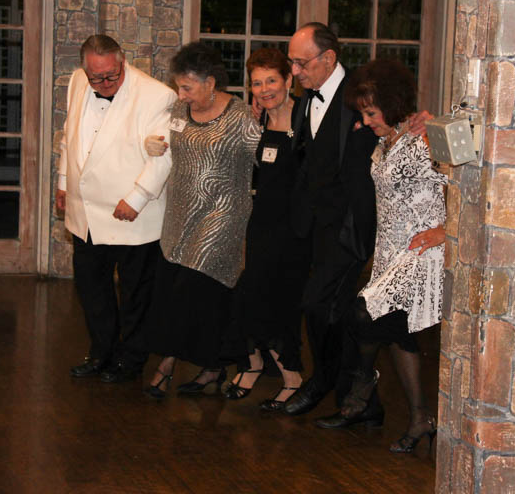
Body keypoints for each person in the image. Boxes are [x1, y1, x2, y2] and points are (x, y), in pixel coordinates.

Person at [315, 59, 446, 454]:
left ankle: (361, 391)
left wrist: (447, 231)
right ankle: (420, 419)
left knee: (362, 314)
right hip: (389, 253)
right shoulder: (386, 140)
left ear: (392, 103)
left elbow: (466, 182)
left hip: (421, 252)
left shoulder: (424, 138)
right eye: (363, 113)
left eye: (372, 112)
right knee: (396, 332)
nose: (366, 120)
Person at [143, 42, 262, 399]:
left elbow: (269, 159)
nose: (180, 94)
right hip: (180, 214)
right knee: (203, 298)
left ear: (210, 83)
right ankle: (213, 366)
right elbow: (165, 140)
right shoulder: (180, 110)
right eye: (179, 86)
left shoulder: (240, 116)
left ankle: (165, 367)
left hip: (222, 216)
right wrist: (152, 144)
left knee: (188, 292)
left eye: (187, 87)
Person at [57, 34, 176, 383]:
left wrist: (137, 198)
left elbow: (164, 155)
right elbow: (69, 137)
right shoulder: (77, 82)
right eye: (97, 77)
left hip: (133, 213)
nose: (106, 83)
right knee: (91, 289)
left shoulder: (156, 94)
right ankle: (101, 353)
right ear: (84, 70)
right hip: (86, 210)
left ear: (122, 61)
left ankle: (131, 359)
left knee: (135, 293)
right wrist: (64, 182)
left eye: (112, 74)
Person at [282, 23, 379, 418]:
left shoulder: (362, 94)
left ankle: (322, 381)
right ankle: (361, 403)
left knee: (317, 303)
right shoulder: (306, 99)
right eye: (291, 63)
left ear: (328, 58)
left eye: (301, 63)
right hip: (317, 225)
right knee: (336, 311)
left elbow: (394, 128)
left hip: (351, 227)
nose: (294, 72)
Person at [222, 47, 309, 411]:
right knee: (247, 297)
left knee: (275, 301)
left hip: (295, 229)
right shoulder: (256, 121)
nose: (264, 89)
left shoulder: (307, 118)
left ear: (288, 80)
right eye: (256, 83)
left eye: (271, 80)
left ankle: (291, 377)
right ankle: (255, 363)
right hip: (261, 224)